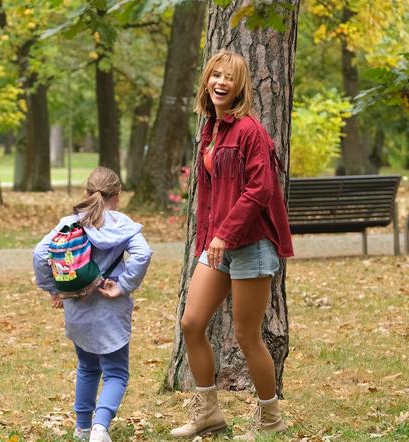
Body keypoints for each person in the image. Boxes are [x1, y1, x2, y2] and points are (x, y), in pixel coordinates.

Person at [170, 50, 294, 439]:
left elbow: (260, 189)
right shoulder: (211, 129)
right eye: (215, 75)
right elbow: (209, 195)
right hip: (218, 245)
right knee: (191, 323)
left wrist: (224, 234)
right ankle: (208, 413)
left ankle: (271, 420)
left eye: (229, 78)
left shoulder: (249, 130)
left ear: (240, 87)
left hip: (252, 244)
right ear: (207, 81)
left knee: (246, 335)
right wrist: (209, 240)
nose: (221, 82)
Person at [33, 167, 153, 442]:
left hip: (77, 306)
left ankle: (82, 428)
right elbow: (143, 253)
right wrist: (123, 284)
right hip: (111, 307)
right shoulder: (123, 225)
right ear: (117, 196)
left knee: (87, 367)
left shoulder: (69, 223)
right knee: (116, 373)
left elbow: (40, 254)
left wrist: (53, 288)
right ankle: (100, 427)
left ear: (86, 193)